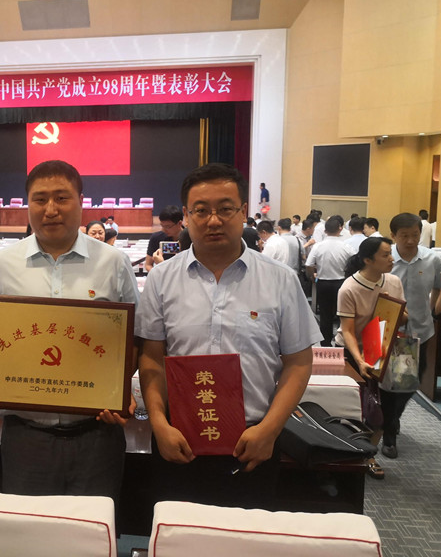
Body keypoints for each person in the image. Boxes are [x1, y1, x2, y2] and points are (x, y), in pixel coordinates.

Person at [136, 163, 320, 508]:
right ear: (186, 216)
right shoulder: (162, 279)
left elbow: (298, 362)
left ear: (243, 212)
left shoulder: (280, 279)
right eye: (201, 211)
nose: (213, 220)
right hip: (179, 440)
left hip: (253, 442)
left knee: (246, 534)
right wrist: (159, 424)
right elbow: (151, 358)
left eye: (225, 209)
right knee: (177, 533)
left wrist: (269, 430)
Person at [0, 159, 138, 504]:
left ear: (81, 202)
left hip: (97, 434)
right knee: (29, 529)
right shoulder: (5, 264)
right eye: (40, 199)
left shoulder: (113, 262)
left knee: (92, 529)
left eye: (62, 198)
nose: (51, 209)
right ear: (28, 204)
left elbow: (134, 337)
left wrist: (117, 389)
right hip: (26, 437)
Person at [333, 236, 406, 480]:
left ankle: (368, 453)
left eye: (390, 253)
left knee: (385, 409)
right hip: (354, 352)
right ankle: (352, 452)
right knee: (357, 407)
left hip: (383, 350)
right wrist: (360, 361)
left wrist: (392, 308)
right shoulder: (349, 288)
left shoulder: (393, 281)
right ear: (368, 260)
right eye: (385, 255)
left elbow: (404, 316)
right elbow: (348, 331)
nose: (391, 259)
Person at [386, 212, 441, 458]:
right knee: (394, 385)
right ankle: (389, 435)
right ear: (393, 236)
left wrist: (431, 309)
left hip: (422, 329)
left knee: (413, 381)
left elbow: (438, 288)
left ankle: (393, 418)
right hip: (392, 332)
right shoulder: (385, 259)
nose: (410, 241)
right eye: (404, 236)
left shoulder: (432, 259)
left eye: (415, 235)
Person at [305, 217, 354, 346]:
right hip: (341, 283)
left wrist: (312, 277)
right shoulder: (346, 246)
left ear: (325, 231)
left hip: (323, 283)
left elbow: (309, 264)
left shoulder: (318, 246)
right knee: (342, 314)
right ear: (340, 229)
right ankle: (341, 341)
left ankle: (325, 343)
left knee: (325, 314)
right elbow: (355, 262)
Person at [145, 205, 183, 272]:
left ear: (179, 223)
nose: (163, 230)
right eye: (162, 226)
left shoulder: (191, 238)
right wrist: (158, 275)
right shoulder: (156, 238)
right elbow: (148, 265)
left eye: (168, 227)